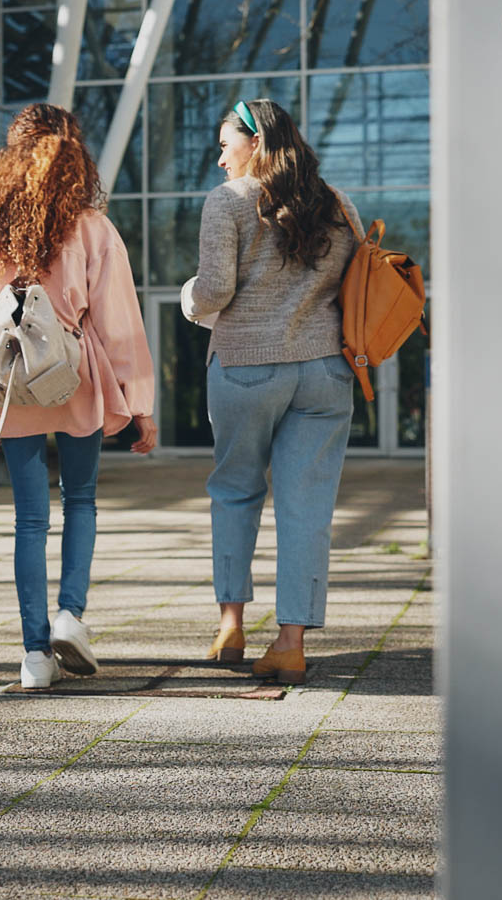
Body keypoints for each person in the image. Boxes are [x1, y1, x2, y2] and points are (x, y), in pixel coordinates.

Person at [0, 103, 157, 691]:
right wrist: (139, 404)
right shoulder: (91, 227)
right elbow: (119, 324)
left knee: (29, 520)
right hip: (77, 375)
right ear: (75, 159)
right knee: (81, 498)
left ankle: (35, 653)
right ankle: (71, 615)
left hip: (12, 382)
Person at [181, 98, 362, 685]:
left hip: (245, 367)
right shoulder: (336, 204)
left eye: (225, 142)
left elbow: (212, 291)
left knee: (235, 491)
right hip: (325, 373)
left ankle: (231, 625)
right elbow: (359, 280)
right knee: (307, 506)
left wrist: (187, 300)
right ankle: (290, 643)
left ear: (254, 142)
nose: (219, 155)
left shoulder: (227, 203)